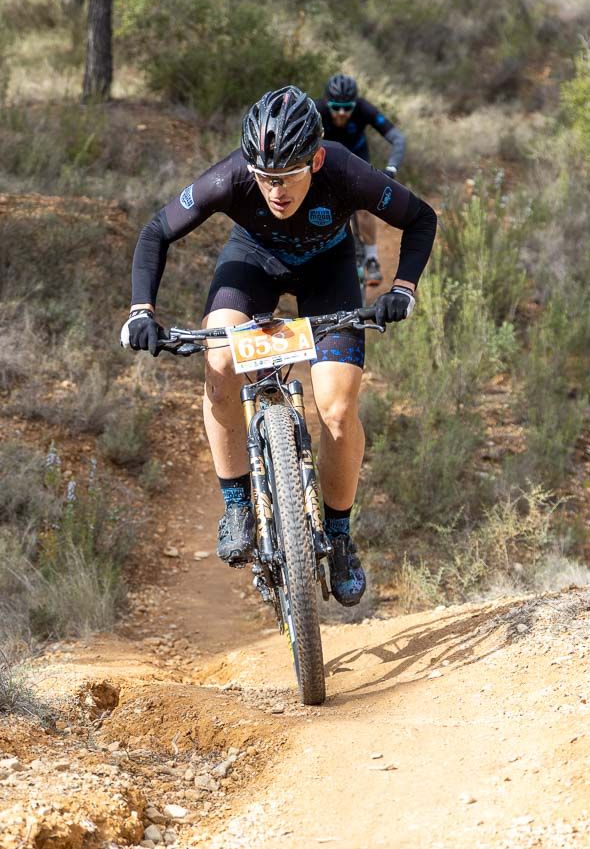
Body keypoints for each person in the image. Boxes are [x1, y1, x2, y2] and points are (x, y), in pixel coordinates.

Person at [121, 85, 436, 607]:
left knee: (336, 408)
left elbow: (420, 217)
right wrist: (141, 312)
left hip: (328, 274)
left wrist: (402, 289)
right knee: (219, 361)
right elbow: (156, 231)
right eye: (265, 179)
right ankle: (238, 505)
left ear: (314, 159)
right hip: (252, 266)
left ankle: (337, 537)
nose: (276, 191)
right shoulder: (231, 177)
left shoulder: (344, 169)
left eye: (287, 177)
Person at [316, 73, 406, 284]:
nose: (341, 112)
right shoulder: (316, 110)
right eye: (336, 106)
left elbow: (397, 139)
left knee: (364, 207)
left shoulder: (364, 109)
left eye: (347, 107)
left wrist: (391, 168)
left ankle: (372, 259)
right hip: (326, 165)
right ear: (327, 103)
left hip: (358, 163)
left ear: (354, 104)